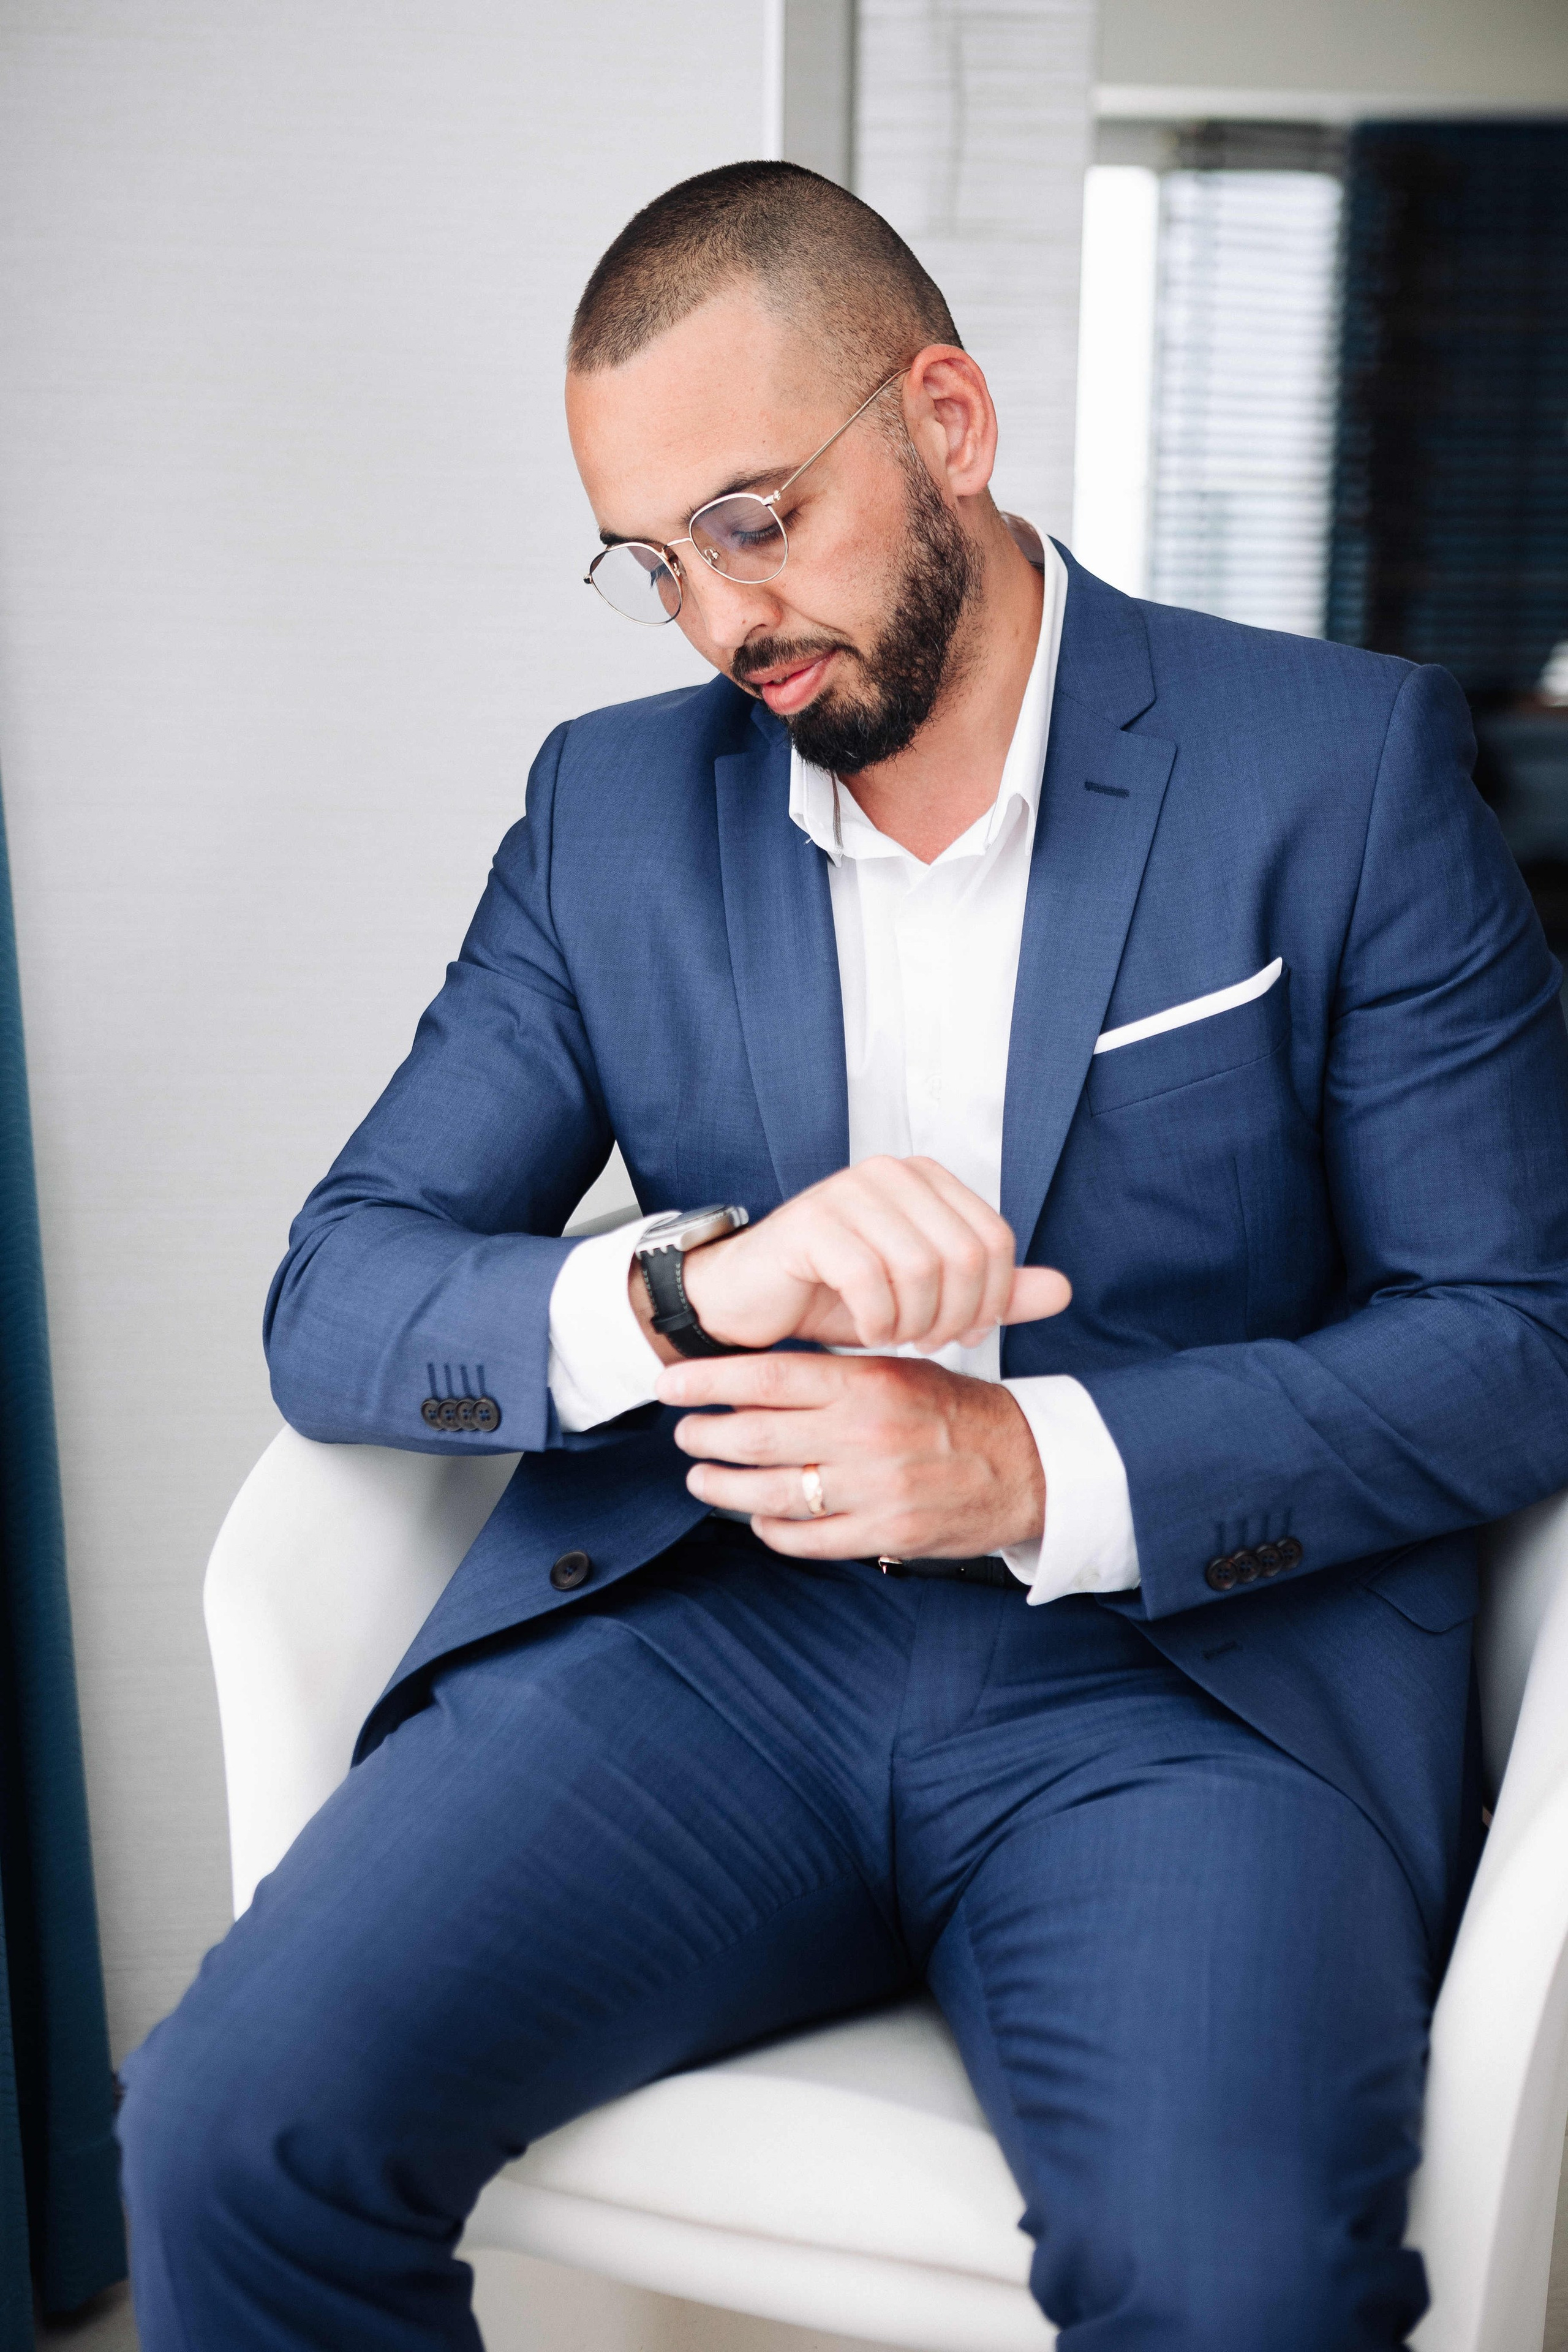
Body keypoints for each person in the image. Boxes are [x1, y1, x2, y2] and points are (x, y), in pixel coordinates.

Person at [118, 160, 1568, 2350]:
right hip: (709, 1649)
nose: (717, 620)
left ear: (949, 425)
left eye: (758, 518)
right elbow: (337, 1289)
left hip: (1186, 1689)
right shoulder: (609, 812)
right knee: (230, 2133)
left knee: (1235, 2284)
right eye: (653, 560)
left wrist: (1031, 1471)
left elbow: (1519, 1336)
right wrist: (689, 1286)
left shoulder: (1336, 766)